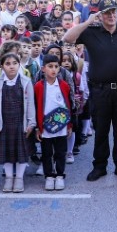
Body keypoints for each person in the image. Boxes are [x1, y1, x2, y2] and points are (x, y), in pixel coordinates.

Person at [63, 0, 117, 182]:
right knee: (101, 129)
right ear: (100, 15)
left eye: (114, 12)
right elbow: (68, 38)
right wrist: (88, 21)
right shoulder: (90, 32)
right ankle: (100, 166)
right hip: (100, 90)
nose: (111, 16)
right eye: (106, 13)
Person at [0, 53, 36, 193]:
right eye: (7, 64)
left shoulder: (26, 81)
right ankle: (9, 177)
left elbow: (31, 104)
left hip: (21, 122)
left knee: (21, 152)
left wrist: (31, 123)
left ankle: (19, 178)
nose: (11, 66)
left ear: (19, 64)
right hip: (5, 123)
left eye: (14, 63)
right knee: (7, 152)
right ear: (2, 67)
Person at [34, 54, 72, 191]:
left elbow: (68, 105)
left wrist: (69, 125)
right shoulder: (38, 86)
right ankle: (49, 176)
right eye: (50, 66)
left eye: (56, 66)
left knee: (61, 152)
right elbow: (36, 106)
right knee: (46, 153)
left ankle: (60, 175)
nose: (53, 69)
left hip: (61, 126)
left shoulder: (64, 86)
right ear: (43, 69)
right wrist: (38, 128)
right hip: (45, 127)